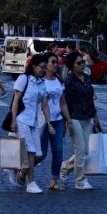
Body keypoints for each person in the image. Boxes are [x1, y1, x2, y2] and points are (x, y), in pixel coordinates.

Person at [60, 50, 100, 190]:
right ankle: (80, 180)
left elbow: (90, 98)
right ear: (72, 66)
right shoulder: (68, 81)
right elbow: (63, 101)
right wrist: (67, 119)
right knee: (81, 149)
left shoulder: (87, 78)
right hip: (74, 118)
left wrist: (95, 117)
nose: (82, 65)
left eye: (83, 62)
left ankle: (65, 167)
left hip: (87, 117)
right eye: (79, 63)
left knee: (85, 150)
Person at [8, 53, 48, 193]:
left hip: (34, 121)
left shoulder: (41, 83)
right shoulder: (23, 79)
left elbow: (43, 103)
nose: (43, 70)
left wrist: (48, 121)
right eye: (41, 67)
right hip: (22, 119)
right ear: (34, 66)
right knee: (31, 151)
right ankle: (31, 183)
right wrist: (13, 120)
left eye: (44, 67)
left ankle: (18, 168)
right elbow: (15, 100)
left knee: (38, 154)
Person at [38, 51, 71, 191]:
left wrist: (67, 118)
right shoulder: (39, 81)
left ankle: (54, 180)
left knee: (58, 150)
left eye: (57, 62)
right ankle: (23, 170)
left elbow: (62, 102)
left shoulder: (59, 81)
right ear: (46, 64)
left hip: (57, 120)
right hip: (41, 122)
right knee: (41, 153)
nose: (56, 64)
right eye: (53, 62)